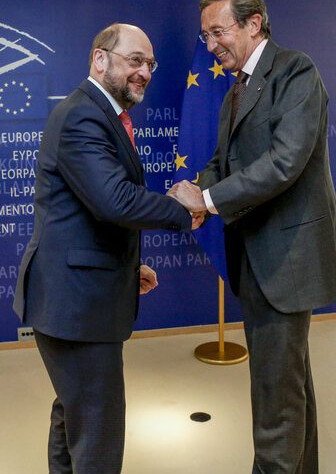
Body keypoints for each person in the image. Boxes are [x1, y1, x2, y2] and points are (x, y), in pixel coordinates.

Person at [13, 23, 202, 474]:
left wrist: (125, 267)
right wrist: (181, 208)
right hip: (74, 309)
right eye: (134, 60)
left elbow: (85, 214)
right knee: (97, 436)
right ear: (100, 59)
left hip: (79, 296)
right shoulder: (83, 115)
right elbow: (113, 199)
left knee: (74, 416)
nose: (145, 73)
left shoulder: (102, 114)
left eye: (150, 64)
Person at [167, 0, 336, 474]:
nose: (211, 45)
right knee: (289, 386)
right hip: (259, 263)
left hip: (287, 264)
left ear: (253, 23)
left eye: (218, 31)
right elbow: (223, 163)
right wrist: (196, 190)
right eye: (205, 37)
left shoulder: (296, 72)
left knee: (274, 403)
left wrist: (205, 199)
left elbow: (284, 162)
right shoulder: (235, 90)